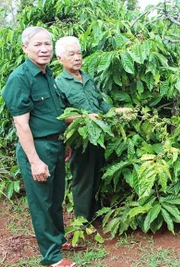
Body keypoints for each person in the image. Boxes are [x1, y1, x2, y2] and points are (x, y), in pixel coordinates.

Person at [2, 27, 76, 267]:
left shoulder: (47, 74)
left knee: (55, 199)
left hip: (54, 145)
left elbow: (53, 113)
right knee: (41, 202)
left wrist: (63, 142)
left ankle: (58, 240)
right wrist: (34, 160)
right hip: (37, 149)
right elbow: (21, 125)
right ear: (25, 48)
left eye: (47, 44)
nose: (44, 49)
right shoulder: (20, 78)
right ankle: (52, 257)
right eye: (37, 45)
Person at [55, 36, 131, 224]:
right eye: (71, 54)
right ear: (59, 59)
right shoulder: (59, 83)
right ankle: (81, 221)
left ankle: (94, 214)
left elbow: (99, 104)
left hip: (100, 135)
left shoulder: (87, 78)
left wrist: (116, 112)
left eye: (79, 53)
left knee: (97, 173)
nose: (77, 58)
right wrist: (84, 118)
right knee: (83, 178)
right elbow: (60, 115)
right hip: (81, 139)